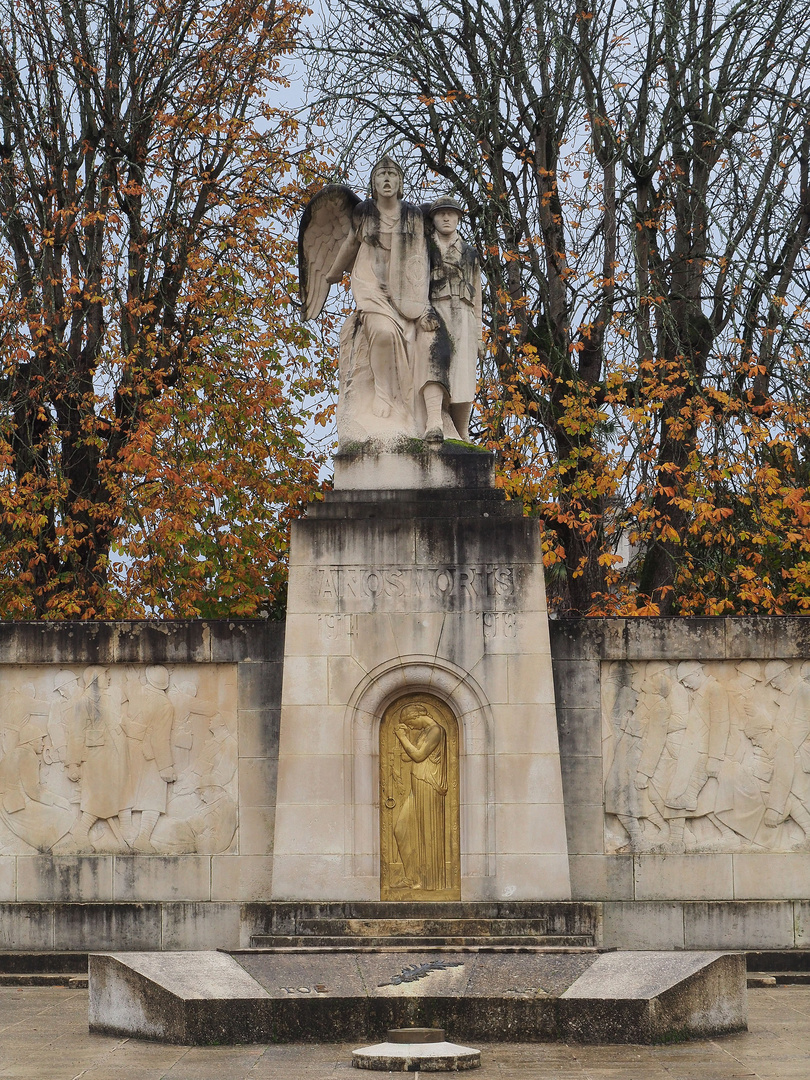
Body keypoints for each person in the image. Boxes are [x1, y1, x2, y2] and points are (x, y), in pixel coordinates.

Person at [325, 156, 439, 435]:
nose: (387, 179)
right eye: (381, 175)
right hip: (370, 283)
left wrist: (422, 302)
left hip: (403, 291)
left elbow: (421, 260)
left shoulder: (412, 214)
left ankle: (421, 413)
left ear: (400, 183)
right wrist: (332, 273)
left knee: (418, 341)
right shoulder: (364, 212)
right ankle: (383, 394)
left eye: (392, 175)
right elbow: (352, 243)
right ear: (373, 183)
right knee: (384, 333)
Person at [422, 196, 483, 441]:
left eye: (451, 213)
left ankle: (462, 431)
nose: (446, 218)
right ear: (433, 218)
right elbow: (417, 284)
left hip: (465, 316)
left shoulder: (470, 254)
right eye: (440, 214)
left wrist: (479, 336)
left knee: (465, 374)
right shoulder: (426, 248)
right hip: (437, 312)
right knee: (435, 363)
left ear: (458, 218)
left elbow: (477, 297)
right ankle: (434, 420)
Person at [392, 703, 448, 891]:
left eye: (410, 723)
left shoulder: (435, 731)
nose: (411, 727)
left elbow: (417, 755)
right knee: (401, 829)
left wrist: (402, 737)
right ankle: (410, 876)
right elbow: (410, 757)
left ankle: (428, 881)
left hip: (428, 786)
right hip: (417, 785)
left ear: (415, 716)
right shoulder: (424, 732)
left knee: (427, 834)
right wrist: (404, 740)